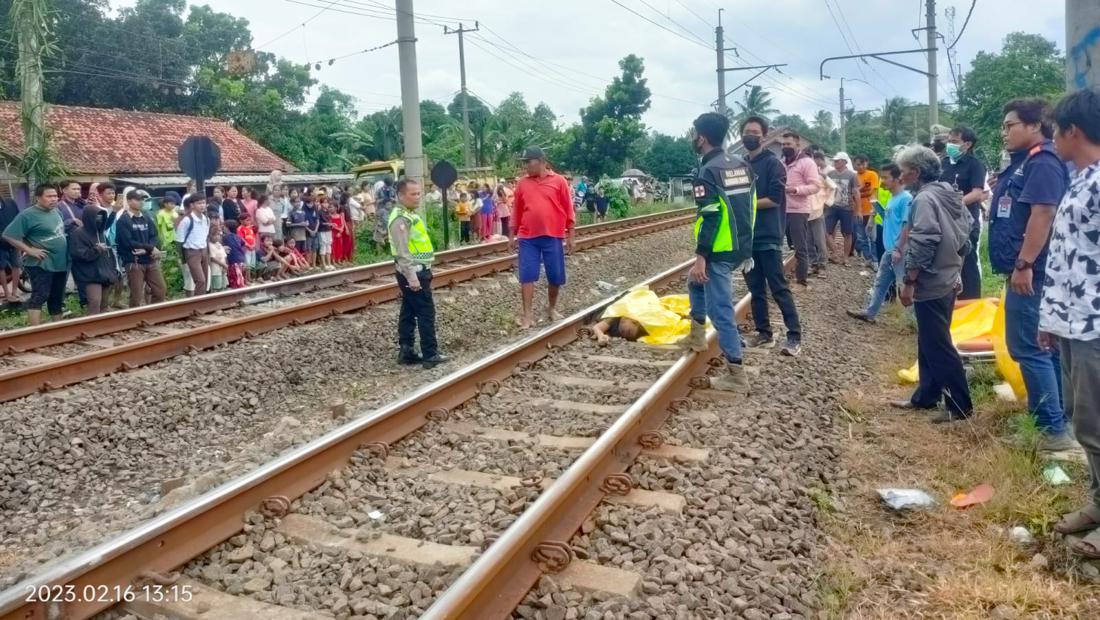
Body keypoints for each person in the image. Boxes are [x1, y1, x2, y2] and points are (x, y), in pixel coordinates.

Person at [990, 97, 1072, 450]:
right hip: (1026, 270)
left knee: (1028, 347)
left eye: (1010, 125)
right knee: (1041, 347)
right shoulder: (1025, 163)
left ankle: (1051, 430)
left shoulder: (1043, 163)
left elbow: (1043, 215)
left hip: (1031, 272)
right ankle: (1055, 420)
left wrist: (1023, 265)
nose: (1004, 132)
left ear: (1035, 125)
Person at [1041, 88, 1100, 553]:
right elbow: (1066, 257)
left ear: (1072, 131)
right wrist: (1051, 318)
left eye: (1055, 131)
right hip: (1071, 321)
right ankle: (1099, 501)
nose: (1052, 139)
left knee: (1098, 425)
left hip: (1095, 324)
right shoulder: (1079, 178)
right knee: (1085, 424)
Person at [892, 145, 974, 423]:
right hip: (948, 278)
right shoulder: (950, 194)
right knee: (929, 340)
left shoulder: (924, 200)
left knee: (938, 344)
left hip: (932, 281)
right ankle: (926, 395)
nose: (900, 177)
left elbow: (925, 240)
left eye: (903, 172)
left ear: (916, 172)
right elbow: (966, 236)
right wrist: (957, 270)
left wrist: (909, 280)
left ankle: (959, 405)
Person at [677, 112, 755, 393]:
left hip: (719, 249)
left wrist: (701, 257)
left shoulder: (707, 171)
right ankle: (697, 337)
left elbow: (709, 216)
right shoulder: (741, 165)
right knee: (693, 282)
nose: (693, 139)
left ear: (703, 137)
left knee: (720, 309)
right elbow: (751, 204)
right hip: (740, 244)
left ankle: (736, 373)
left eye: (694, 133)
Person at [739, 117, 803, 355]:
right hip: (747, 238)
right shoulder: (740, 164)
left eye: (755, 132)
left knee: (778, 287)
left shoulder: (773, 165)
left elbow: (775, 199)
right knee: (755, 289)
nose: (750, 135)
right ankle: (763, 333)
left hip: (768, 236)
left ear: (763, 137)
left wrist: (745, 204)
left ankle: (794, 337)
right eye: (747, 131)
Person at [510, 146, 576, 329]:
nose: (525, 166)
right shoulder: (522, 183)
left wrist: (571, 234)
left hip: (553, 235)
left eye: (528, 162)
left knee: (555, 275)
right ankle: (528, 315)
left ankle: (552, 308)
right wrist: (511, 234)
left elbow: (568, 208)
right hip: (528, 237)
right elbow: (517, 210)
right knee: (527, 275)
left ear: (541, 161)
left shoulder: (559, 181)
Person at [389, 178, 447, 368]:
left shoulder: (408, 214)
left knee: (408, 311)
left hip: (416, 270)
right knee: (425, 312)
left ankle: (407, 351)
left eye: (418, 193)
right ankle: (430, 354)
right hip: (413, 272)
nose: (417, 197)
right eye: (413, 194)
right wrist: (412, 277)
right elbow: (403, 251)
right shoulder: (401, 218)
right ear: (400, 195)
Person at [847, 163, 913, 322]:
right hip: (890, 250)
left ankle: (916, 322)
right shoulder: (892, 197)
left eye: (885, 177)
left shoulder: (906, 199)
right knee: (880, 283)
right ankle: (870, 313)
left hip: (899, 251)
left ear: (897, 179)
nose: (882, 181)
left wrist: (899, 248)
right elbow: (892, 221)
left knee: (906, 288)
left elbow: (907, 225)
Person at [2, 185, 69, 325]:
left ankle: (57, 329)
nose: (53, 199)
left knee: (57, 297)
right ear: (38, 198)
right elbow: (9, 235)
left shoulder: (56, 212)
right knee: (40, 296)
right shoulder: (27, 215)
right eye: (49, 196)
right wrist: (30, 250)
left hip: (60, 262)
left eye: (55, 196)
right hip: (41, 264)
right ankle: (35, 331)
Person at [941, 126, 988, 300]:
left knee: (967, 264)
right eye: (949, 141)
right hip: (944, 223)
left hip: (965, 223)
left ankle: (971, 305)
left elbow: (977, 193)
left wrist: (954, 203)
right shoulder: (944, 163)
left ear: (967, 144)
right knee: (947, 263)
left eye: (954, 142)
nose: (949, 145)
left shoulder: (975, 165)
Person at [781, 131, 821, 288]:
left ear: (798, 145)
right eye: (783, 144)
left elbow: (816, 186)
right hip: (781, 209)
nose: (785, 147)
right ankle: (778, 277)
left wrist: (795, 190)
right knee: (779, 244)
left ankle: (801, 279)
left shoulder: (807, 163)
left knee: (799, 246)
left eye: (788, 144)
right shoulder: (782, 162)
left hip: (798, 210)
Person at [115, 190, 166, 307]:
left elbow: (154, 236)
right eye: (137, 199)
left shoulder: (147, 217)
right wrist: (150, 248)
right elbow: (127, 242)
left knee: (160, 290)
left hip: (150, 259)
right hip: (134, 262)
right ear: (128, 201)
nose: (141, 202)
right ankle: (134, 320)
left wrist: (149, 249)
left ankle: (153, 316)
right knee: (136, 295)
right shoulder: (123, 220)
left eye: (142, 199)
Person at [68, 205, 118, 315]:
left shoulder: (101, 234)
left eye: (101, 217)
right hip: (89, 275)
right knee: (95, 302)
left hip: (105, 274)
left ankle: (103, 328)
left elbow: (110, 255)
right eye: (96, 217)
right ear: (89, 218)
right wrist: (97, 249)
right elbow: (79, 254)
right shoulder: (78, 234)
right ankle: (92, 327)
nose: (99, 219)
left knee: (104, 304)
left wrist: (113, 270)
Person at [824, 152, 860, 264]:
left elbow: (856, 192)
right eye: (834, 161)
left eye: (837, 161)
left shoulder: (851, 175)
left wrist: (857, 210)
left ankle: (845, 257)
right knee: (826, 231)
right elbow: (826, 189)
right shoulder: (830, 174)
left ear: (844, 162)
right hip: (832, 207)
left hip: (847, 208)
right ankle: (835, 252)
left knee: (847, 233)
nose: (835, 163)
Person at [809, 151, 837, 279]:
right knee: (808, 241)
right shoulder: (802, 177)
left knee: (820, 240)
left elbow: (833, 187)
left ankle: (822, 266)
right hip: (804, 213)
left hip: (817, 212)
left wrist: (827, 203)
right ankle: (813, 264)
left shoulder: (821, 176)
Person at [177, 194, 211, 297]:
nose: (202, 205)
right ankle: (197, 305)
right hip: (191, 252)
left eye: (203, 203)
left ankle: (201, 303)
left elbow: (205, 237)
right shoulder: (187, 220)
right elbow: (179, 240)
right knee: (200, 280)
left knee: (205, 280)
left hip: (203, 251)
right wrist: (181, 258)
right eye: (199, 203)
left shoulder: (206, 219)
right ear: (192, 205)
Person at [853, 156, 880, 267]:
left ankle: (875, 260)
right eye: (857, 164)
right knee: (861, 237)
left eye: (861, 164)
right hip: (858, 210)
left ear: (866, 164)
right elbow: (851, 192)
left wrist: (857, 193)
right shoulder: (854, 176)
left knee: (872, 237)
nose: (859, 167)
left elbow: (871, 192)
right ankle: (868, 258)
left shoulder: (872, 175)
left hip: (870, 210)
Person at [0, 197, 23, 303]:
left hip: (14, 239)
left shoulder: (10, 202)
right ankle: (6, 293)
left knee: (16, 265)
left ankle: (14, 291)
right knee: (1, 268)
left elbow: (18, 219)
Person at [223, 220, 246, 289]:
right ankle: (239, 288)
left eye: (224, 227)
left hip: (233, 259)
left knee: (235, 276)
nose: (223, 228)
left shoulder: (225, 237)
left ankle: (238, 290)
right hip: (241, 258)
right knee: (239, 275)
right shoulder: (237, 236)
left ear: (227, 228)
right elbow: (243, 243)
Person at [374, 176, 396, 248]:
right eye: (387, 185)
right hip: (381, 211)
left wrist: (392, 199)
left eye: (390, 185)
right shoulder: (379, 190)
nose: (388, 187)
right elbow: (376, 201)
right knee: (379, 231)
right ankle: (379, 248)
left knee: (392, 229)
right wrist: (382, 200)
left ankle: (388, 245)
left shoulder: (393, 190)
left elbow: (396, 201)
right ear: (384, 183)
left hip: (390, 211)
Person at [208, 226, 228, 293]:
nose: (217, 237)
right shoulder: (210, 245)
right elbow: (212, 258)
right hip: (216, 269)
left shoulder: (219, 244)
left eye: (218, 235)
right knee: (217, 287)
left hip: (222, 268)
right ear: (209, 236)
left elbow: (224, 255)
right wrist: (223, 265)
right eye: (214, 235)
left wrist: (225, 265)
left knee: (223, 285)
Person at [304, 194, 321, 268]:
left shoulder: (315, 209)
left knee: (315, 249)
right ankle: (309, 264)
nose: (310, 204)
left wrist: (316, 230)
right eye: (308, 203)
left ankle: (314, 264)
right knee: (309, 249)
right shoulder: (303, 210)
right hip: (308, 233)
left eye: (311, 202)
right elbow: (303, 223)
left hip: (315, 232)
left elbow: (318, 221)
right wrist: (310, 230)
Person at [239, 213, 257, 278]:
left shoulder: (250, 228)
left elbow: (253, 237)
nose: (249, 222)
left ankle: (251, 277)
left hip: (252, 248)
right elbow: (241, 239)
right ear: (241, 221)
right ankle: (247, 279)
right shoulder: (240, 228)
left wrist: (254, 244)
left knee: (252, 264)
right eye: (247, 220)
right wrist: (249, 246)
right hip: (246, 249)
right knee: (247, 264)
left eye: (250, 220)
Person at [318, 201, 334, 271]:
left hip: (328, 230)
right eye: (324, 202)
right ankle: (324, 265)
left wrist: (331, 224)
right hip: (322, 231)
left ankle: (329, 264)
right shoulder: (319, 212)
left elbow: (330, 220)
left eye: (327, 203)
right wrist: (327, 224)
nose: (326, 204)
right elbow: (319, 223)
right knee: (323, 245)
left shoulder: (328, 212)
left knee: (329, 245)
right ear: (321, 204)